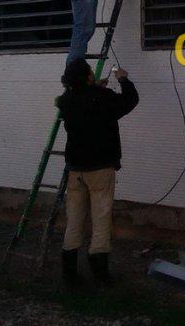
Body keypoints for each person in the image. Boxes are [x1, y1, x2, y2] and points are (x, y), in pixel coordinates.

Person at [57, 58, 140, 289]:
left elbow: (85, 100)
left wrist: (95, 88)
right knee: (101, 219)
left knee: (74, 221)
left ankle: (70, 276)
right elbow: (130, 100)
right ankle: (100, 275)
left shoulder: (66, 101)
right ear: (87, 77)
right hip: (100, 169)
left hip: (75, 170)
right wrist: (123, 79)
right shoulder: (103, 99)